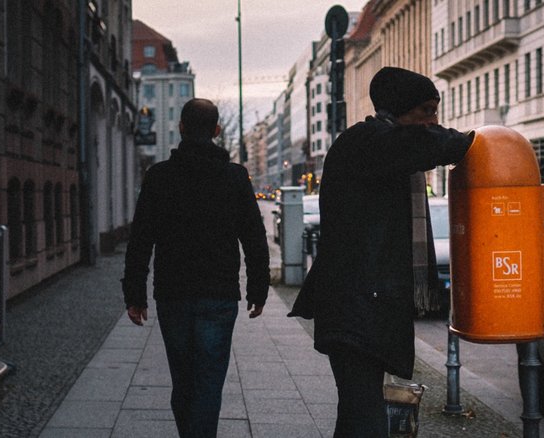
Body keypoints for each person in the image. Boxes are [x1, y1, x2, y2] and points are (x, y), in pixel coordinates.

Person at [288, 66, 473, 437]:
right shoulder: (369, 142)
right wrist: (479, 141)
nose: (433, 121)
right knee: (366, 418)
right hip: (354, 306)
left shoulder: (380, 145)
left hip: (358, 305)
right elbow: (431, 144)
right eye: (426, 111)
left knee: (357, 413)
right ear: (401, 109)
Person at [121, 98, 271, 437]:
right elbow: (254, 237)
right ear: (217, 130)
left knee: (183, 381)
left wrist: (135, 294)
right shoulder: (235, 177)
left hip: (173, 294)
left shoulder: (159, 177)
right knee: (208, 382)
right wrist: (257, 290)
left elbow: (140, 238)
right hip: (218, 294)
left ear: (181, 128)